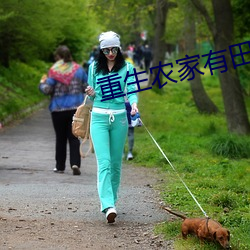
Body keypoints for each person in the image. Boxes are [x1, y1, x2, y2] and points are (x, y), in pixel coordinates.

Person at [85, 31, 139, 223]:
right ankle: (107, 205)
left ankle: (112, 201)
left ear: (119, 48)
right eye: (106, 50)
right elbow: (91, 96)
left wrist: (133, 104)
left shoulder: (128, 68)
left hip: (120, 118)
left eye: (114, 49)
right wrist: (90, 92)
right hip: (98, 118)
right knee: (105, 163)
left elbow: (132, 90)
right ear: (101, 50)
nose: (110, 53)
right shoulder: (94, 68)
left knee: (116, 164)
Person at [39, 45, 88, 175]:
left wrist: (42, 83)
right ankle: (75, 163)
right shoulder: (79, 69)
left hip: (58, 109)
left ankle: (60, 166)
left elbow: (47, 90)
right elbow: (86, 87)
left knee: (60, 138)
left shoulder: (54, 71)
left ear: (58, 57)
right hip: (75, 109)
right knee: (74, 137)